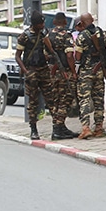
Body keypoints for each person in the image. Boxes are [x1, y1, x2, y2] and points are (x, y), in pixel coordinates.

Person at [16, 11, 71, 141]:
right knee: (33, 102)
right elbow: (18, 56)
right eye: (40, 23)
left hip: (44, 70)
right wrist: (25, 70)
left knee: (51, 100)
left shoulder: (44, 35)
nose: (42, 25)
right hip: (32, 71)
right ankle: (33, 130)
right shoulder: (25, 36)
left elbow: (49, 52)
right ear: (35, 24)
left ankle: (57, 128)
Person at [73, 12, 106, 139]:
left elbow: (78, 57)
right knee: (98, 100)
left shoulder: (81, 36)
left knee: (84, 99)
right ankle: (99, 127)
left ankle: (85, 128)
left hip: (86, 72)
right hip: (100, 70)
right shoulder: (102, 33)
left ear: (83, 23)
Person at [47, 12, 79, 137]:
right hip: (63, 72)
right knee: (66, 99)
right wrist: (73, 71)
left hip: (51, 72)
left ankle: (59, 126)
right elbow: (70, 55)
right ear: (65, 22)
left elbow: (46, 55)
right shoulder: (66, 36)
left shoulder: (48, 35)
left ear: (54, 22)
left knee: (56, 100)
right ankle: (58, 128)